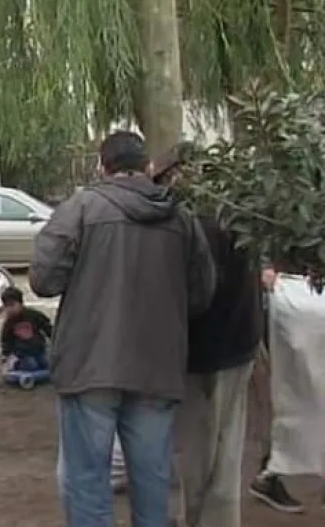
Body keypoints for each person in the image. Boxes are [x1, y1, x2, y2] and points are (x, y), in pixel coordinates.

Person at [31, 130, 216, 527]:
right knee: (152, 480)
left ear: (103, 166)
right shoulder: (181, 218)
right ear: (147, 167)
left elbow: (43, 279)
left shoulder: (80, 209)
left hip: (89, 365)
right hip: (157, 366)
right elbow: (202, 293)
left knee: (87, 481)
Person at [150, 147, 264, 527]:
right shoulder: (240, 215)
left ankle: (195, 520)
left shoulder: (184, 224)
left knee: (196, 455)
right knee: (227, 450)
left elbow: (191, 294)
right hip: (242, 343)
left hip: (200, 353)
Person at [248, 265, 305, 513]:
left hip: (297, 299)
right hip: (274, 308)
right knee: (274, 394)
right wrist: (263, 269)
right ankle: (269, 472)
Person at [0, 286, 53, 374]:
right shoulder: (9, 323)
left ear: (21, 303)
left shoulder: (33, 315)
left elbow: (46, 326)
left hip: (38, 350)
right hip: (22, 354)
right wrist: (6, 355)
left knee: (47, 363)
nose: (10, 309)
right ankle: (15, 364)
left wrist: (53, 336)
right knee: (32, 365)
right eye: (7, 306)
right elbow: (6, 340)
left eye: (12, 305)